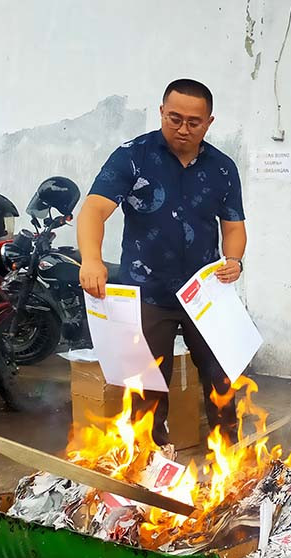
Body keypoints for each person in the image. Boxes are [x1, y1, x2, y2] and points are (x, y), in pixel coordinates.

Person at [78, 78, 246, 448]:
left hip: (204, 294)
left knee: (222, 377)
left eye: (193, 122)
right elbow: (93, 211)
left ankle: (230, 458)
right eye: (174, 118)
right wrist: (91, 260)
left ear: (209, 122)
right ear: (161, 113)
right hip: (148, 292)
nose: (183, 128)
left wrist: (234, 260)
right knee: (147, 387)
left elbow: (233, 227)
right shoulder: (132, 157)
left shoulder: (222, 168)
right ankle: (151, 460)